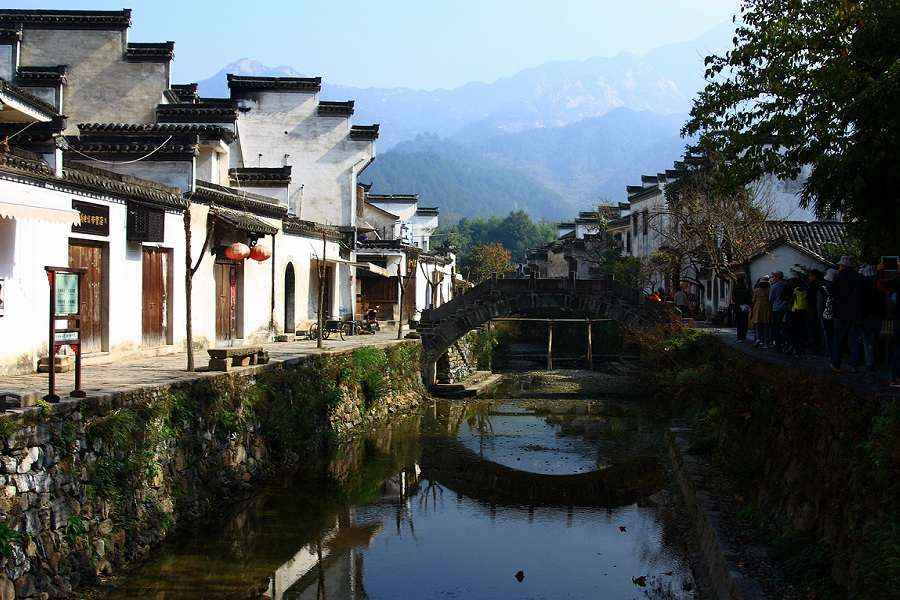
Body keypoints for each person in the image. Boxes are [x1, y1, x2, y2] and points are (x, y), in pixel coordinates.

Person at [827, 256, 863, 373]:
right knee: (855, 339)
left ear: (842, 266)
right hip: (856, 312)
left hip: (841, 312)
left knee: (839, 338)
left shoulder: (838, 278)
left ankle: (835, 363)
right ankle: (854, 364)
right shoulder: (859, 278)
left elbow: (830, 291)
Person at [876, 261, 900, 388]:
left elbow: (880, 284)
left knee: (898, 349)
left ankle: (895, 378)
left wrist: (880, 271)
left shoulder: (896, 280)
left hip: (898, 319)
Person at [784, 270, 808, 356]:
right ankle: (801, 348)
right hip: (803, 311)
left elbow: (782, 297)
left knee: (791, 329)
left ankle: (792, 345)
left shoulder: (789, 285)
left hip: (792, 311)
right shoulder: (805, 285)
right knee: (801, 330)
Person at [769, 270, 789, 352]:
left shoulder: (774, 286)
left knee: (776, 328)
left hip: (777, 309)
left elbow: (770, 298)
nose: (773, 278)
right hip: (786, 308)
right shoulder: (787, 285)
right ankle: (785, 343)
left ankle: (778, 345)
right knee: (785, 328)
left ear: (777, 277)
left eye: (774, 276)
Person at [806, 269, 825, 353]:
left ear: (814, 276)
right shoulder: (822, 285)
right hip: (821, 309)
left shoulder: (810, 286)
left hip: (812, 309)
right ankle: (821, 345)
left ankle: (814, 345)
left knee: (812, 328)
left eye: (810, 275)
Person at [752, 278, 773, 348]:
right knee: (766, 326)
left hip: (758, 308)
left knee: (758, 325)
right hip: (767, 308)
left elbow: (753, 300)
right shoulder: (769, 290)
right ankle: (767, 343)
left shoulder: (756, 290)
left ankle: (758, 339)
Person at [821, 268, 837, 355]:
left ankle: (830, 350)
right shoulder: (840, 287)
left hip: (826, 313)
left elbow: (820, 302)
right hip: (837, 314)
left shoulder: (824, 288)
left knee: (828, 334)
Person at [731, 277, 752, 343]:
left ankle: (739, 337)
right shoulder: (746, 290)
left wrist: (739, 303)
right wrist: (745, 303)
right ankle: (744, 336)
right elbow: (750, 298)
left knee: (739, 323)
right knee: (745, 323)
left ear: (737, 282)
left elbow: (734, 299)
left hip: (737, 308)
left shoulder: (735, 290)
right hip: (745, 308)